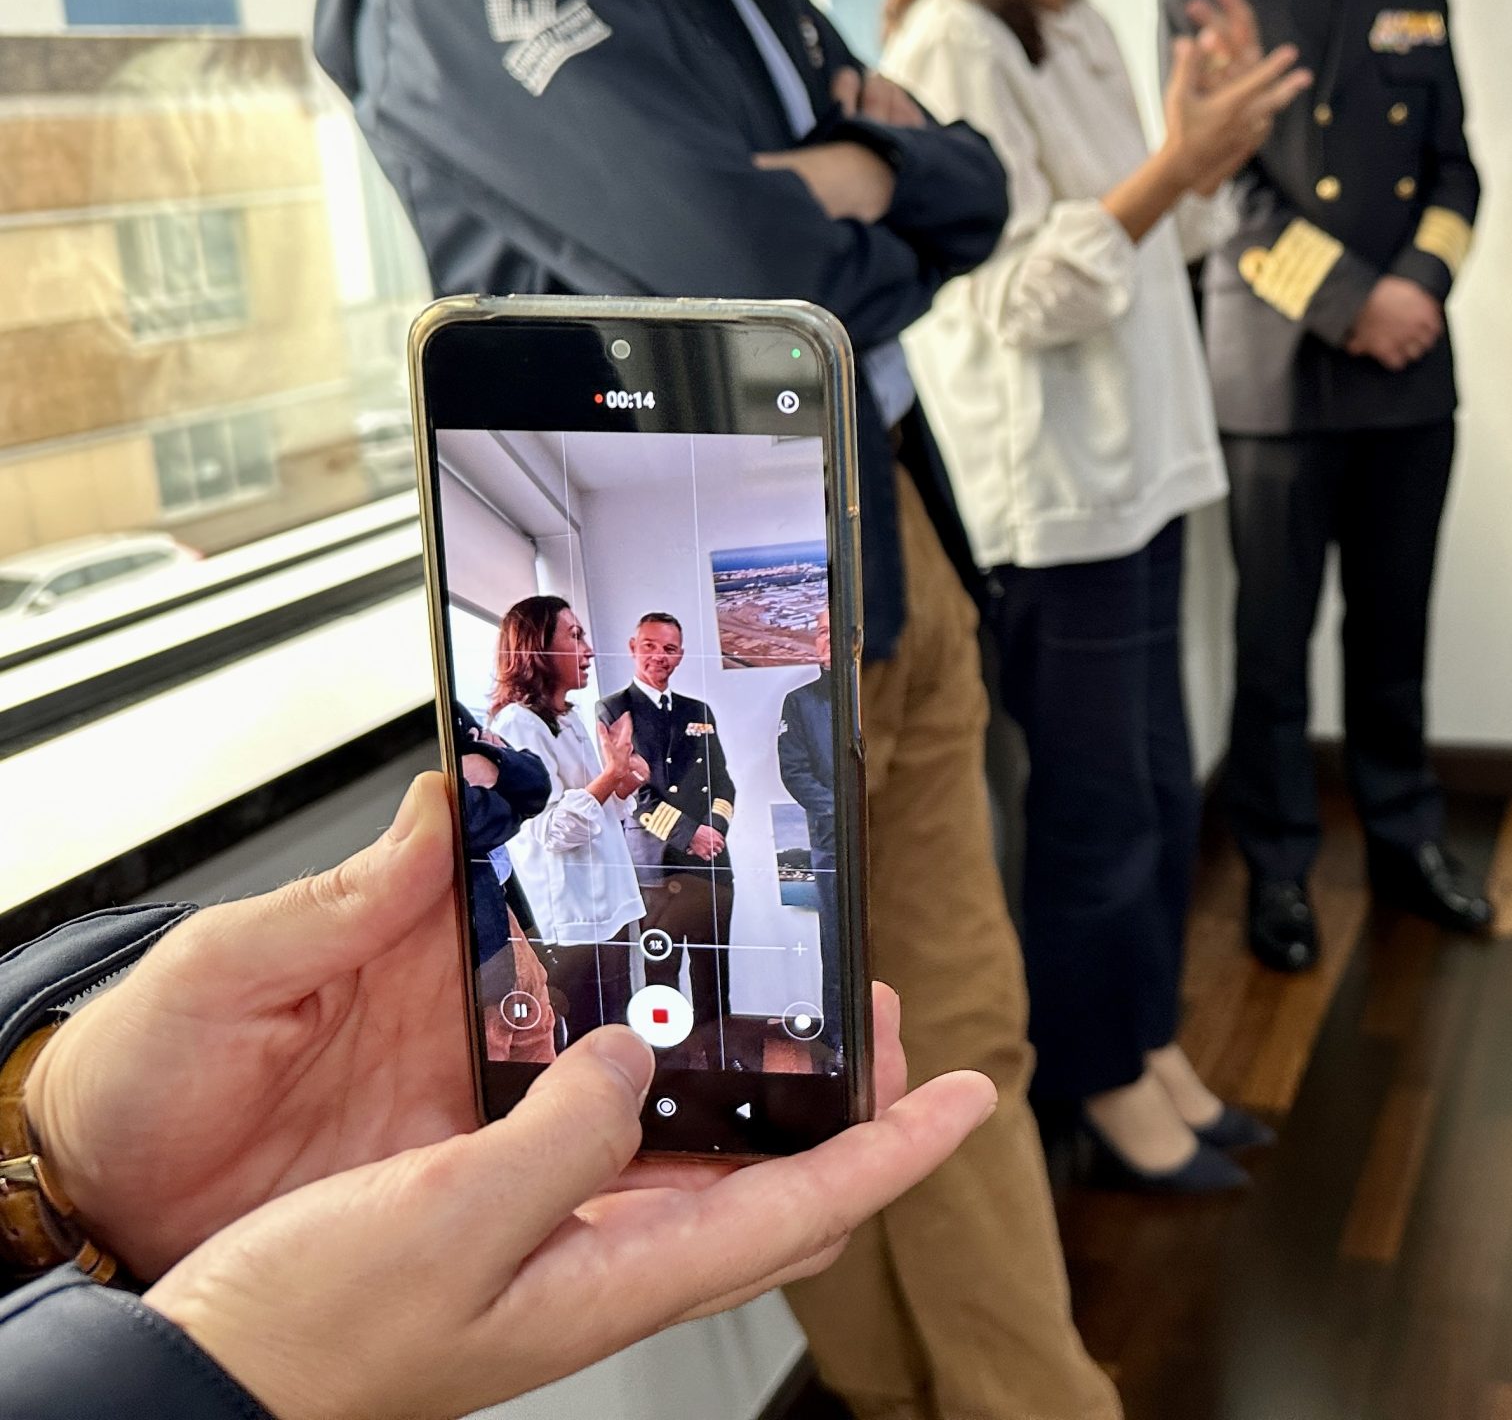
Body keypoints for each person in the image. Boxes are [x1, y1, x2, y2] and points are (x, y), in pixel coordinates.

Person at [317, 0, 1116, 1410]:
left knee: (964, 1051)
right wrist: (849, 183)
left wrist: (866, 177)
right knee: (802, 1091)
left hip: (890, 547)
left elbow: (968, 182)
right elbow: (740, 263)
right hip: (754, 572)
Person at [0, 772, 993, 1417]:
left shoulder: (670, 714)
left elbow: (699, 806)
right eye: (637, 644)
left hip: (650, 898)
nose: (647, 656)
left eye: (662, 647)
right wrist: (239, 1372)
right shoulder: (556, 737)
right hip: (596, 917)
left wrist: (52, 1140)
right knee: (596, 1051)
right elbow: (542, 809)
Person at [883, 0, 1308, 1189]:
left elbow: (1168, 237)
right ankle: (1101, 1083)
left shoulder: (1081, 22)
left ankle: (1149, 1046)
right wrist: (1169, 170)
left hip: (1145, 471)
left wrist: (1206, 154)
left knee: (1151, 786)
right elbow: (1003, 298)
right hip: (1055, 502)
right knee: (1090, 815)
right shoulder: (950, 42)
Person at [1158, 0, 1496, 975]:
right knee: (1272, 648)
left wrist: (1417, 288)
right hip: (1278, 381)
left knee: (1394, 633)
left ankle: (1406, 842)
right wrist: (1352, 300)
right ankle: (1281, 871)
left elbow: (1456, 166)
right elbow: (1222, 194)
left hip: (1411, 378)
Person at [488, 594, 650, 1046]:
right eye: (574, 636)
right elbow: (554, 831)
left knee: (616, 1026)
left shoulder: (572, 718)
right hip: (573, 921)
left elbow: (600, 812)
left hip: (606, 908)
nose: (589, 650)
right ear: (538, 648)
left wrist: (624, 783)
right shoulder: (518, 725)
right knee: (586, 1040)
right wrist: (611, 775)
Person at [598, 613, 738, 1067]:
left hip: (710, 859)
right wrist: (686, 834)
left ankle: (719, 1056)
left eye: (671, 648)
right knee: (661, 970)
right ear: (633, 646)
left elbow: (724, 783)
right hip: (656, 858)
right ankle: (672, 1064)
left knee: (713, 967)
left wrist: (714, 831)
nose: (661, 656)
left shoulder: (699, 711)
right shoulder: (613, 708)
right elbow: (630, 791)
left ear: (681, 653)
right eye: (651, 646)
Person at [455, 702, 558, 1063]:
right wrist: (503, 787)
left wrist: (487, 768)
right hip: (465, 946)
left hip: (504, 919)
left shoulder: (450, 707)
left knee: (540, 1051)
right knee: (494, 1072)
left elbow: (536, 786)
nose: (586, 653)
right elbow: (464, 824)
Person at [775, 635, 845, 1053]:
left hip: (888, 841)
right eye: (821, 632)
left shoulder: (872, 689)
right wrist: (846, 810)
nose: (829, 640)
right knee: (836, 950)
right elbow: (795, 772)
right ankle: (839, 1043)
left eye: (833, 629)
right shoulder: (799, 703)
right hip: (831, 842)